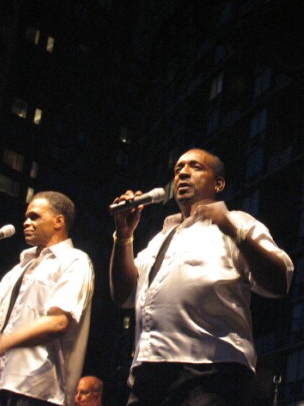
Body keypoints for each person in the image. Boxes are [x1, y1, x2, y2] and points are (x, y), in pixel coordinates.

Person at [110, 148, 294, 405]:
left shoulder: (238, 223)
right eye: (178, 169)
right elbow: (124, 295)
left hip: (212, 371)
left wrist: (232, 229)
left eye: (195, 167)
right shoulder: (160, 238)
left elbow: (279, 282)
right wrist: (124, 236)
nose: (183, 173)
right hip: (149, 373)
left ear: (218, 184)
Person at [0, 191, 95, 406]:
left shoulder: (75, 261)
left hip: (38, 391)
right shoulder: (21, 269)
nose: (26, 223)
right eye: (26, 217)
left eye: (34, 217)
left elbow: (59, 321)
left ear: (59, 221)